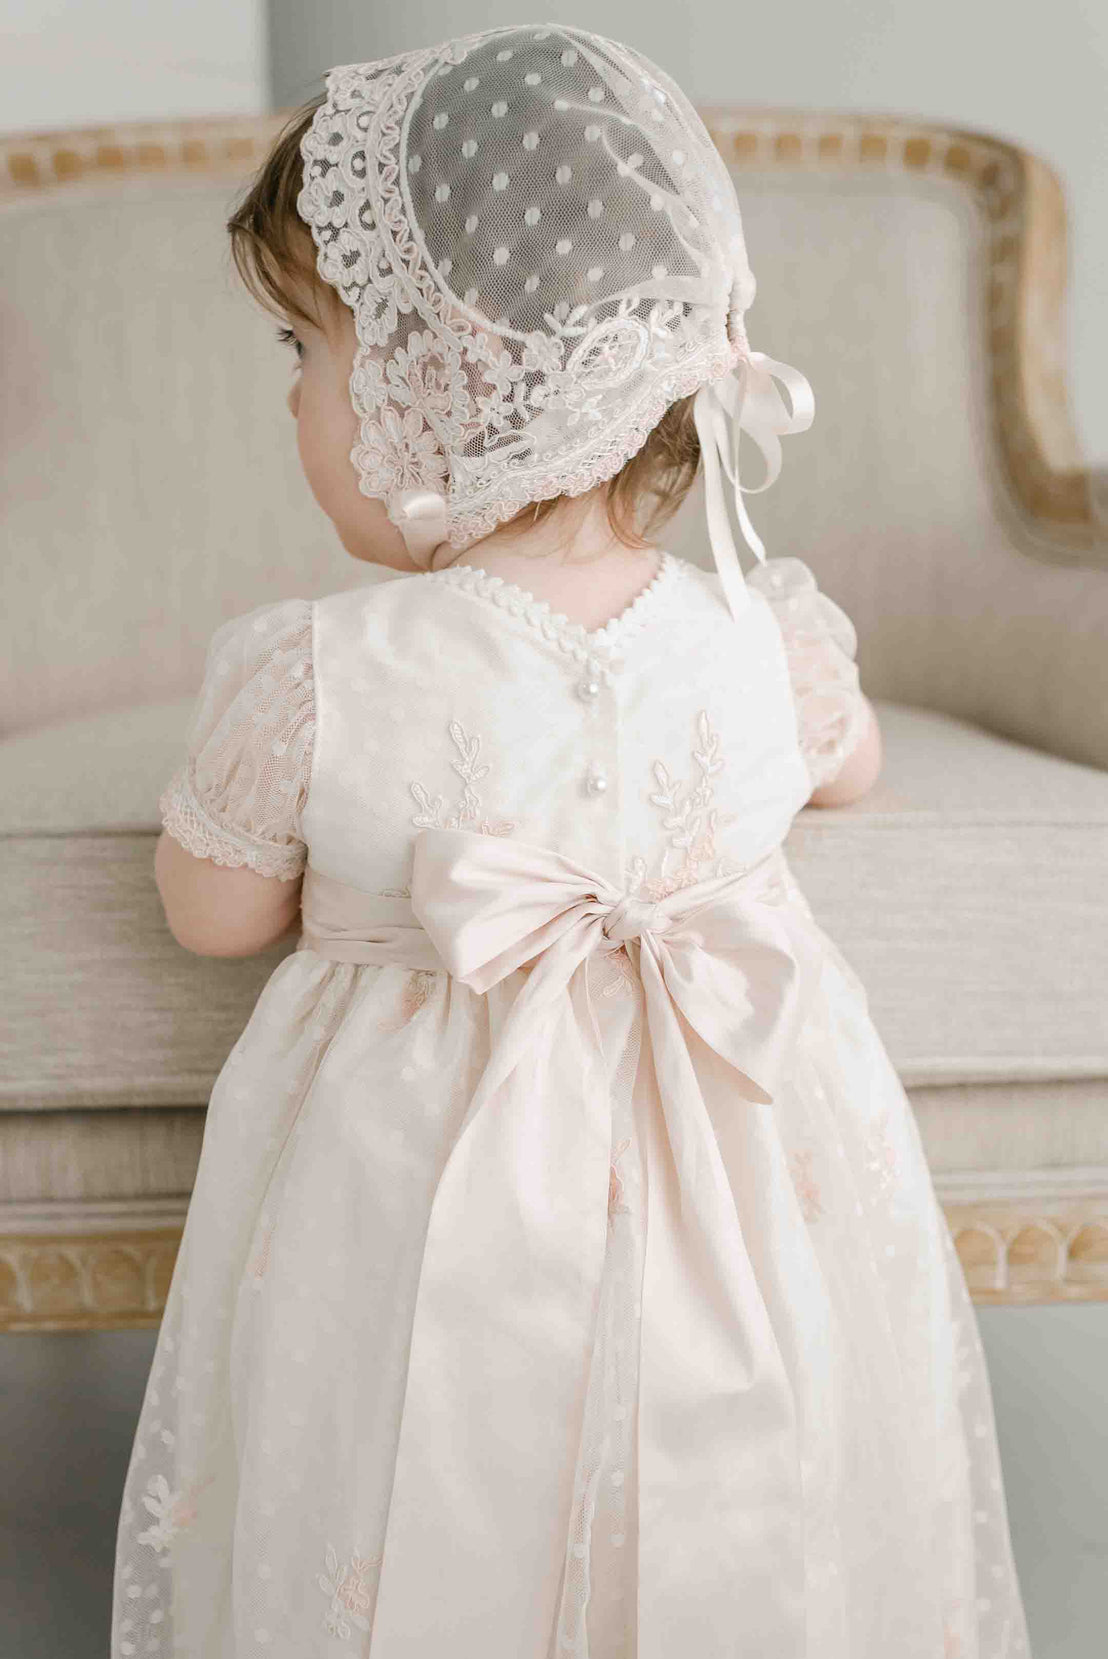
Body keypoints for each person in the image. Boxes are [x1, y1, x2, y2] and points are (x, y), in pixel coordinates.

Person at [111, 23, 1032, 1658]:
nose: (296, 404)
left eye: (306, 354)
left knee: (421, 1478)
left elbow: (209, 909)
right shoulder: (767, 639)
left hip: (423, 1200)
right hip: (740, 1173)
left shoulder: (319, 673)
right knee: (751, 1456)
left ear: (436, 382)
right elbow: (855, 760)